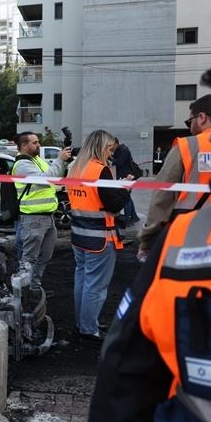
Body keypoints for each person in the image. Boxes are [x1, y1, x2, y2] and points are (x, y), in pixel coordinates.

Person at [88, 50, 211, 422]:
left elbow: (161, 195)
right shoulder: (183, 242)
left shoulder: (187, 150)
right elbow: (127, 375)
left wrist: (146, 235)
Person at [66, 130, 132, 342]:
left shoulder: (75, 168)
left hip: (79, 234)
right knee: (95, 285)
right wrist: (126, 188)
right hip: (100, 238)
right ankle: (88, 328)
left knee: (82, 280)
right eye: (110, 149)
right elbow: (114, 204)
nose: (111, 154)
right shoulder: (100, 170)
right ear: (102, 147)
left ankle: (84, 322)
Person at [136, 94, 211, 263]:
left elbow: (162, 197)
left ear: (202, 118)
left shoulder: (188, 146)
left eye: (189, 122)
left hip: (191, 232)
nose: (190, 128)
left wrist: (147, 238)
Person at [11, 131, 73, 294]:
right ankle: (23, 294)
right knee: (28, 260)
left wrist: (64, 162)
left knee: (45, 257)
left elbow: (55, 174)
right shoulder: (22, 164)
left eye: (38, 142)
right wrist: (59, 159)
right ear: (24, 146)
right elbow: (45, 179)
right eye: (35, 143)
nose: (39, 145)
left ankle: (34, 288)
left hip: (47, 217)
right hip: (33, 219)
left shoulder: (37, 160)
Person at [110, 138, 139, 224]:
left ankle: (127, 219)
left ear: (116, 143)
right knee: (128, 197)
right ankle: (134, 216)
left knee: (126, 197)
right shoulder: (118, 150)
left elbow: (120, 162)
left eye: (111, 145)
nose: (110, 147)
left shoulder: (123, 149)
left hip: (128, 176)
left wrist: (110, 157)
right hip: (124, 176)